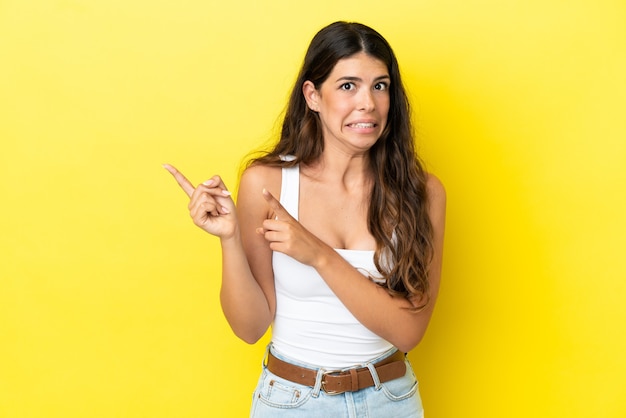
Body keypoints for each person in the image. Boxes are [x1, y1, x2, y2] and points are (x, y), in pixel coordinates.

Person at [164, 21, 445, 417]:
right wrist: (228, 239)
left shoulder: (422, 193)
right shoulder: (267, 184)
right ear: (312, 95)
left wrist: (318, 254)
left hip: (391, 400)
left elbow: (408, 331)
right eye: (348, 86)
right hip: (293, 402)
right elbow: (250, 328)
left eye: (380, 86)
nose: (368, 103)